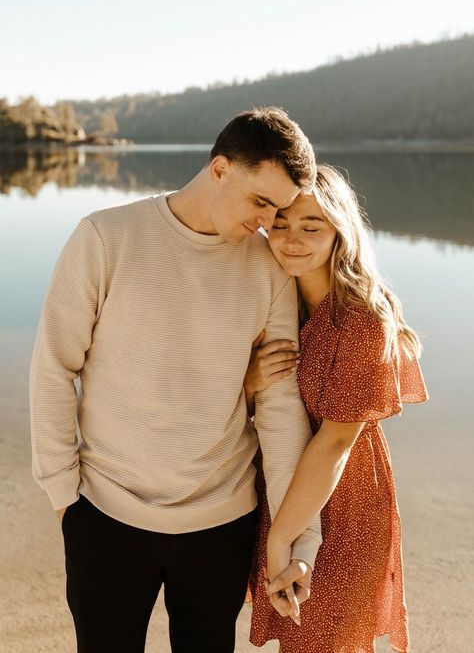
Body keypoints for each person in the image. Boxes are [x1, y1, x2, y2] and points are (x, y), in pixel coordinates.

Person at [29, 107, 323, 653]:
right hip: (106, 516)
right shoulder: (104, 237)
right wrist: (62, 493)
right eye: (260, 202)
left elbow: (281, 409)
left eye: (278, 210)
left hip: (223, 525)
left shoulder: (267, 266)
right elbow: (54, 366)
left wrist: (299, 535)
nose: (266, 223)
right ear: (219, 169)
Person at [244, 164, 428, 653]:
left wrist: (282, 539)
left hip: (344, 498)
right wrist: (250, 381)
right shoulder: (274, 305)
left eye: (312, 226)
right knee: (300, 636)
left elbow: (337, 440)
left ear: (339, 233)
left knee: (330, 636)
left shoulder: (361, 319)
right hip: (282, 485)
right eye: (280, 224)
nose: (292, 239)